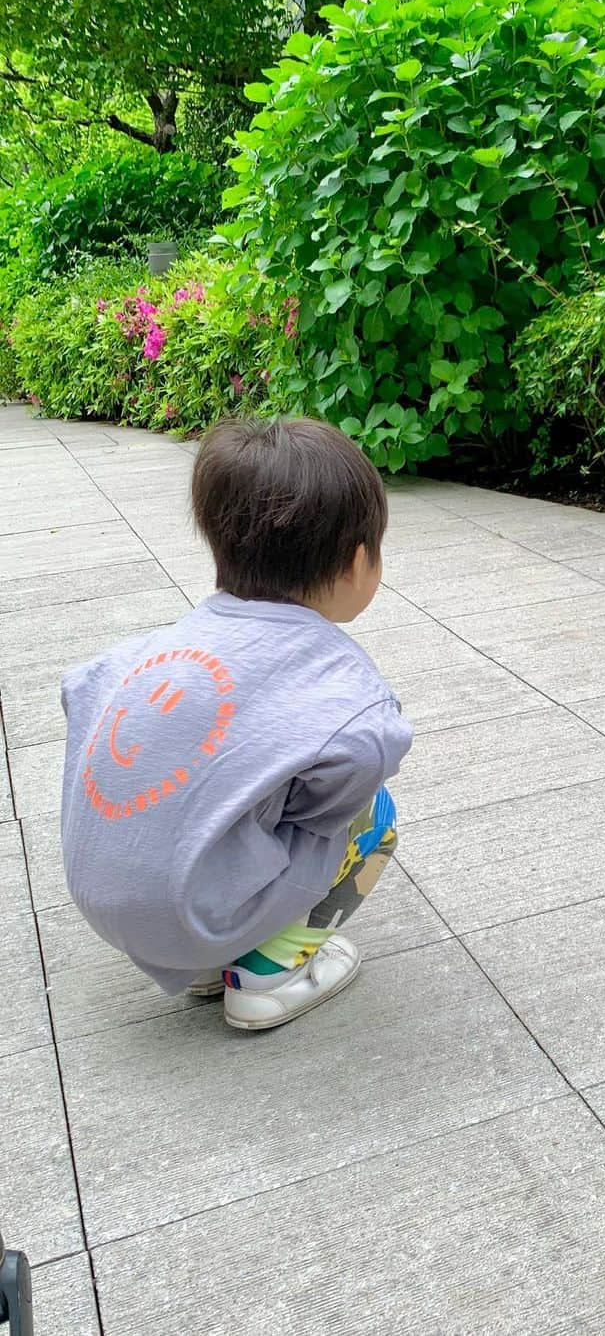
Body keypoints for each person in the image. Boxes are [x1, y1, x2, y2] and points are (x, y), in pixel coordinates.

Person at [59, 417, 413, 1031]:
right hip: (192, 913)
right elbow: (361, 759)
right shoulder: (346, 696)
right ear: (359, 562)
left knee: (223, 792)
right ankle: (264, 972)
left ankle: (203, 953)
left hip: (103, 904)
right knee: (373, 819)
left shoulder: (138, 654)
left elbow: (79, 693)